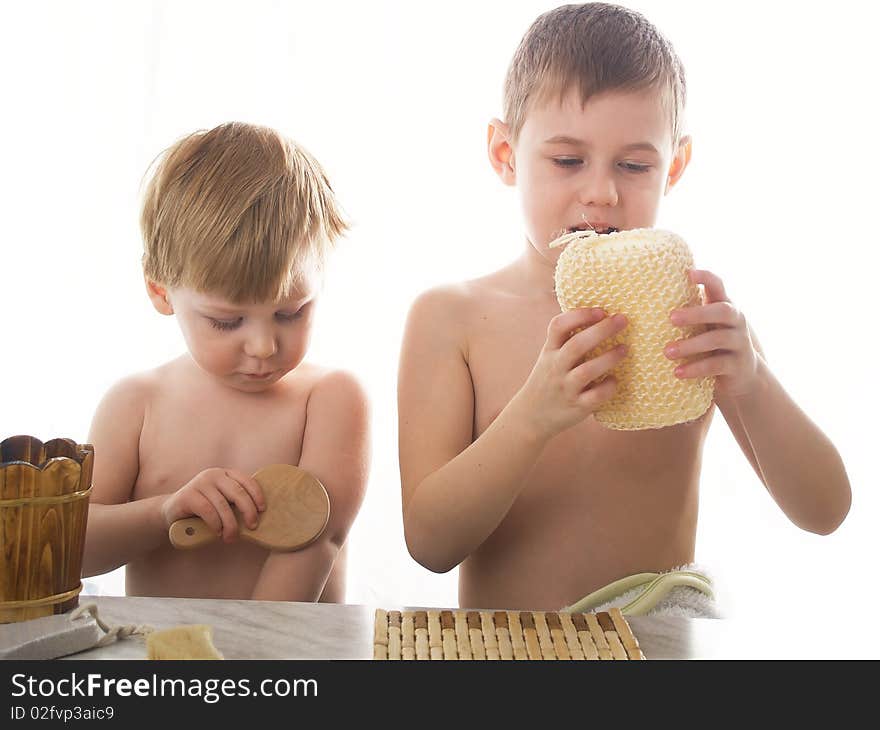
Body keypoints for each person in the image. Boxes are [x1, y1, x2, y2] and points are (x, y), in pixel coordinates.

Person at [397, 3, 850, 615]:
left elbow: (824, 511)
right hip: (508, 648)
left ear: (675, 167)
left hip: (655, 637)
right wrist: (531, 417)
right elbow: (429, 543)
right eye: (567, 161)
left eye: (635, 166)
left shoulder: (695, 319)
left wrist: (753, 381)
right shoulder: (451, 318)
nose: (602, 193)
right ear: (505, 154)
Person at [82, 122, 369, 602]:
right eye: (226, 321)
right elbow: (73, 553)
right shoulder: (135, 405)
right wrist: (162, 512)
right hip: (171, 664)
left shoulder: (330, 399)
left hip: (287, 665)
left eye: (290, 313)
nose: (262, 346)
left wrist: (241, 671)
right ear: (161, 291)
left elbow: (314, 540)